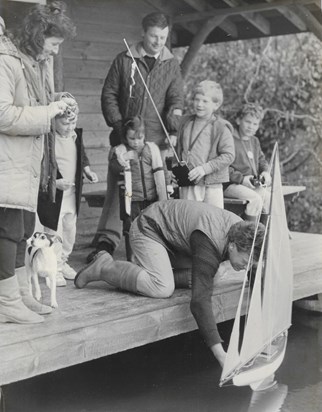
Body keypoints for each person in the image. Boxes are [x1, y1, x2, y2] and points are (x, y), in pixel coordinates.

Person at [75, 199, 265, 367]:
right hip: (148, 229)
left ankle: (152, 269)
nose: (246, 267)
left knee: (211, 277)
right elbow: (199, 302)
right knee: (162, 287)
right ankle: (104, 266)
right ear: (232, 246)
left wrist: (265, 326)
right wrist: (221, 355)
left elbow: (254, 267)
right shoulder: (210, 243)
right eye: (245, 261)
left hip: (175, 239)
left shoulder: (244, 235)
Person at [0, 1, 76, 324]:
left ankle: (21, 295)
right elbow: (3, 114)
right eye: (54, 44)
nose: (56, 52)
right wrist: (48, 113)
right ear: (37, 34)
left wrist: (59, 110)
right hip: (7, 160)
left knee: (24, 229)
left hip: (28, 163)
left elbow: (38, 107)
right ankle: (6, 301)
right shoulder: (6, 61)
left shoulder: (36, 63)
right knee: (7, 229)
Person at [86, 11, 184, 262]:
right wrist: (120, 129)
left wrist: (172, 129)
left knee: (155, 192)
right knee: (120, 190)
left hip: (155, 142)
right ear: (144, 33)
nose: (158, 42)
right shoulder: (124, 59)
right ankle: (106, 243)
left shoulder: (171, 64)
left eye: (163, 37)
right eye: (154, 36)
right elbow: (108, 95)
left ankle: (155, 242)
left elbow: (176, 100)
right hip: (124, 139)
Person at [37, 95, 98, 286]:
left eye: (73, 123)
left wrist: (88, 171)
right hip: (55, 196)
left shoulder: (75, 136)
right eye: (64, 124)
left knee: (70, 230)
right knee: (54, 231)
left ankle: (63, 261)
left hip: (71, 195)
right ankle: (52, 267)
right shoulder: (48, 140)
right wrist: (55, 182)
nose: (70, 128)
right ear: (53, 121)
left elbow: (82, 156)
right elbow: (43, 166)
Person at [109, 116, 172, 260]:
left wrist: (168, 185)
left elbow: (163, 170)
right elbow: (113, 168)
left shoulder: (152, 149)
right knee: (131, 229)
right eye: (131, 138)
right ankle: (132, 259)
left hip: (152, 198)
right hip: (131, 201)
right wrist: (124, 158)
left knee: (152, 227)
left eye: (140, 138)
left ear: (144, 136)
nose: (136, 142)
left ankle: (152, 258)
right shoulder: (120, 151)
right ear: (125, 137)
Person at [176, 80, 235, 208]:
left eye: (205, 101)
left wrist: (204, 169)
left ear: (216, 105)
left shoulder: (221, 127)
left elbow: (229, 155)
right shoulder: (185, 123)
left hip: (212, 185)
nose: (199, 104)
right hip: (189, 183)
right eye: (197, 100)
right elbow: (178, 151)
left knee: (213, 222)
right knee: (189, 221)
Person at [224, 103, 272, 221]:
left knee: (268, 197)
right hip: (231, 185)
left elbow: (261, 160)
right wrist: (241, 179)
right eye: (248, 122)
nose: (251, 126)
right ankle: (249, 236)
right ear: (239, 120)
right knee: (255, 199)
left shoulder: (254, 141)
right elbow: (223, 167)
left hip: (250, 185)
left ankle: (261, 235)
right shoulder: (229, 139)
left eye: (255, 124)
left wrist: (265, 172)